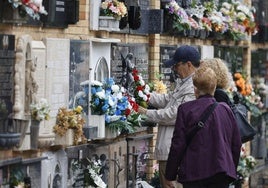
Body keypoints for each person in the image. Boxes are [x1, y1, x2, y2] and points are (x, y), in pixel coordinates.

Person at [165, 66, 242, 188]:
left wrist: (170, 175)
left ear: (195, 89)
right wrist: (231, 168)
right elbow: (236, 143)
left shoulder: (186, 110)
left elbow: (177, 145)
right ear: (214, 87)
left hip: (193, 173)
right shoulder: (225, 110)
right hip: (221, 173)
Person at [138, 45, 201, 188]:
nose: (174, 69)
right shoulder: (185, 82)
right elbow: (168, 99)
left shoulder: (193, 86)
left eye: (177, 65)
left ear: (188, 64)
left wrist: (146, 113)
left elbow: (175, 114)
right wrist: (146, 95)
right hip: (168, 150)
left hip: (173, 151)